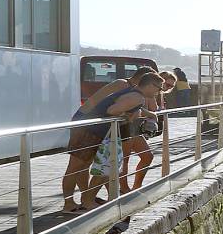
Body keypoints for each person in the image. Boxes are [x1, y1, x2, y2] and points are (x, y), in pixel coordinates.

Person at [60, 71, 164, 213]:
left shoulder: (134, 93)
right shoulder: (137, 97)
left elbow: (120, 106)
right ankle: (70, 204)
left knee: (86, 167)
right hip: (90, 130)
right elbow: (112, 109)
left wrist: (140, 114)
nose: (159, 92)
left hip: (93, 130)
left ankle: (84, 201)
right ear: (151, 85)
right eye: (159, 88)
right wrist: (126, 115)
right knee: (75, 168)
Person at [118, 71, 173, 192]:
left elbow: (151, 108)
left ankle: (137, 186)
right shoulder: (135, 92)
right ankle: (124, 189)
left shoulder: (150, 94)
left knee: (147, 156)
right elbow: (138, 108)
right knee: (124, 160)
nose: (163, 89)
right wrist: (150, 114)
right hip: (126, 127)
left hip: (136, 128)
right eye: (163, 86)